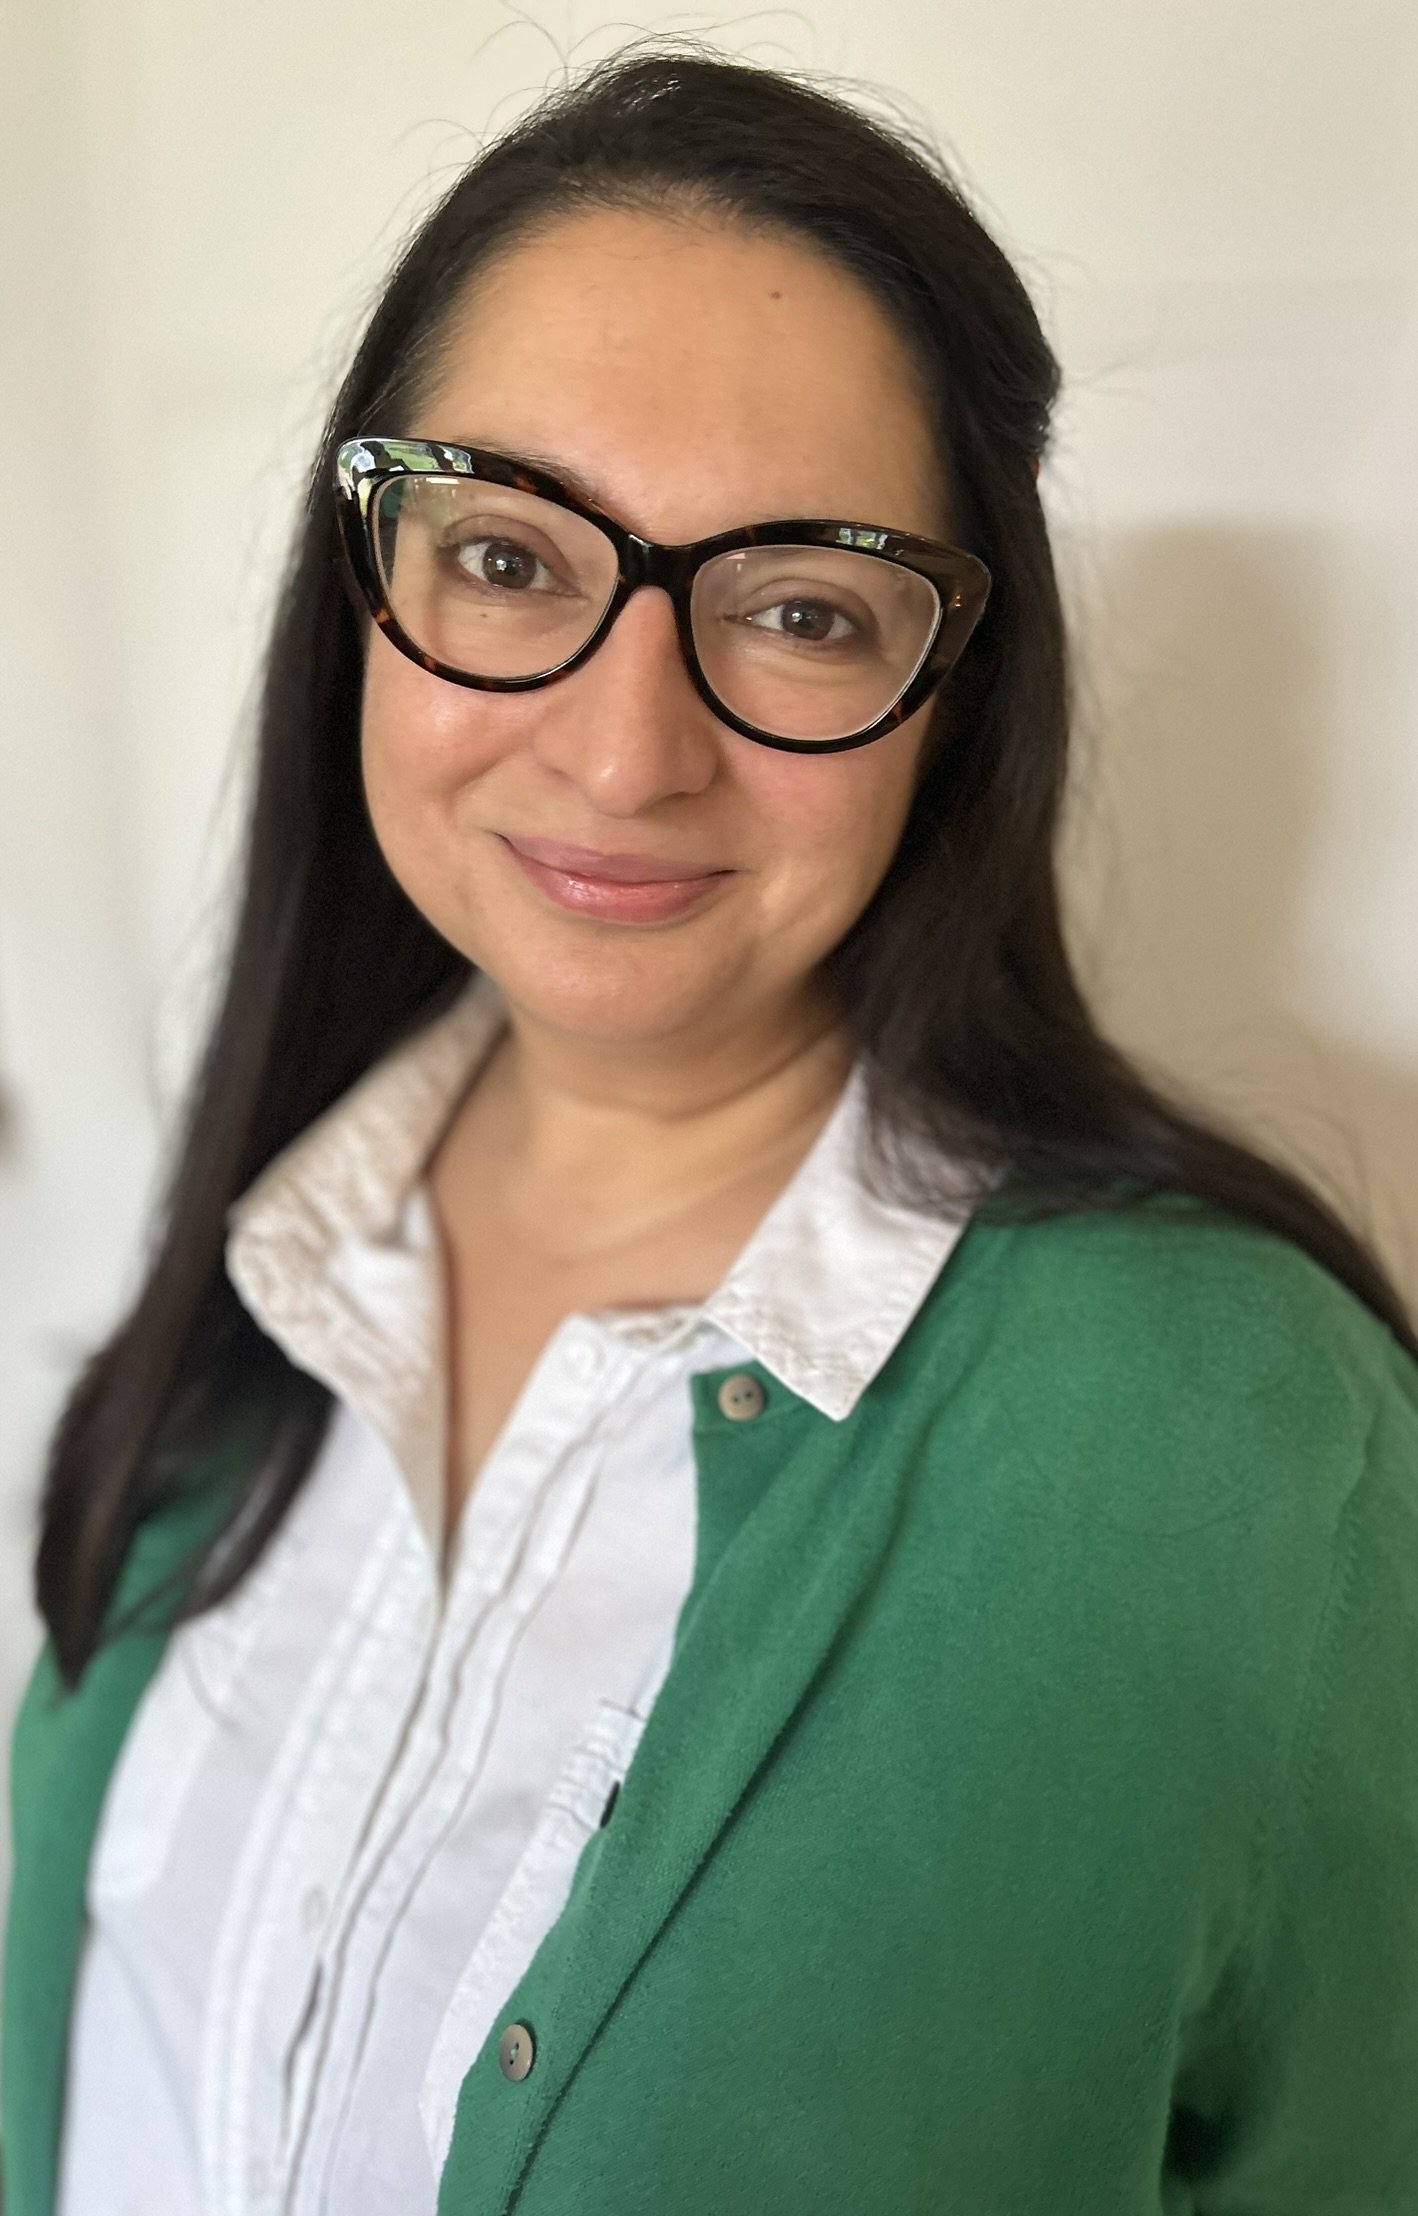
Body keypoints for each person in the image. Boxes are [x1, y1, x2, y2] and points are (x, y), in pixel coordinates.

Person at [4, 45, 1417, 2216]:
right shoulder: (247, 1291)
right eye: (504, 555)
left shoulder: (1242, 1444)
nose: (624, 743)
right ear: (364, 587)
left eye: (795, 606)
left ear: (955, 704)